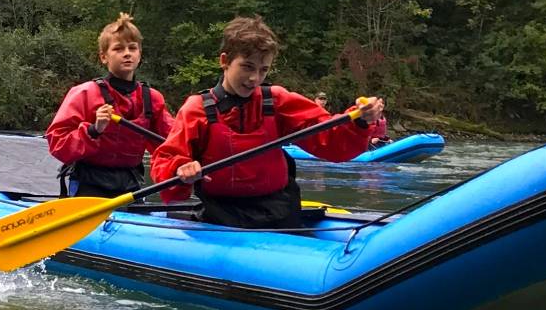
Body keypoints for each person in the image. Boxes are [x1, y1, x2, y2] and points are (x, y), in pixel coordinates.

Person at [151, 15, 385, 228]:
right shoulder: (197, 109)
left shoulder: (278, 101)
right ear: (225, 61)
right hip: (222, 216)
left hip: (279, 210)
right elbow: (166, 159)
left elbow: (331, 141)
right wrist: (181, 168)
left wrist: (360, 121)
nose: (254, 78)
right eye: (247, 67)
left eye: (263, 70)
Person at [45, 13, 174, 197]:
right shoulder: (85, 94)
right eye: (118, 49)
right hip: (89, 183)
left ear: (140, 54)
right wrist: (94, 130)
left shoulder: (152, 99)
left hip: (130, 185)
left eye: (132, 48)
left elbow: (172, 143)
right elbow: (57, 144)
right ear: (104, 57)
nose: (127, 53)